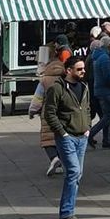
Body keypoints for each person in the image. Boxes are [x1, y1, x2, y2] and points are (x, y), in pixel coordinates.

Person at [43, 54, 92, 219]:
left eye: (83, 68)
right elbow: (49, 112)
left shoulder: (84, 86)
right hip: (67, 137)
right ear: (68, 70)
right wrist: (62, 133)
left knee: (77, 174)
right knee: (73, 172)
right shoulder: (57, 88)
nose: (83, 72)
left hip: (82, 137)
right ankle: (66, 214)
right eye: (79, 69)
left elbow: (86, 108)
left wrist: (88, 127)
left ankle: (68, 212)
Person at [32, 38, 70, 177]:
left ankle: (54, 158)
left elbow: (38, 97)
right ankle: (60, 163)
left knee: (47, 138)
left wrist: (32, 110)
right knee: (61, 135)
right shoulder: (64, 76)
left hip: (48, 111)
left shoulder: (45, 79)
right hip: (63, 110)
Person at [88, 29, 110, 149]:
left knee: (105, 115)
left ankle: (106, 140)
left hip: (99, 89)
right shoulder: (104, 58)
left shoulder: (97, 57)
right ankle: (90, 134)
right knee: (108, 116)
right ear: (108, 46)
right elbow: (108, 76)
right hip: (105, 91)